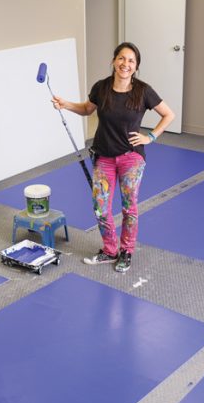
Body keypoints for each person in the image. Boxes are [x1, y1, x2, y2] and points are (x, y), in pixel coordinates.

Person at [51, 42, 175, 273]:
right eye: (121, 58)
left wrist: (151, 137)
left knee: (129, 208)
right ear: (113, 61)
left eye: (131, 61)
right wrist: (65, 104)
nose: (125, 64)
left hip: (131, 158)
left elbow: (168, 114)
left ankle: (126, 251)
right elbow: (87, 109)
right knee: (100, 208)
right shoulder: (102, 87)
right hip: (104, 157)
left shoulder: (143, 91)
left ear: (136, 66)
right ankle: (110, 250)